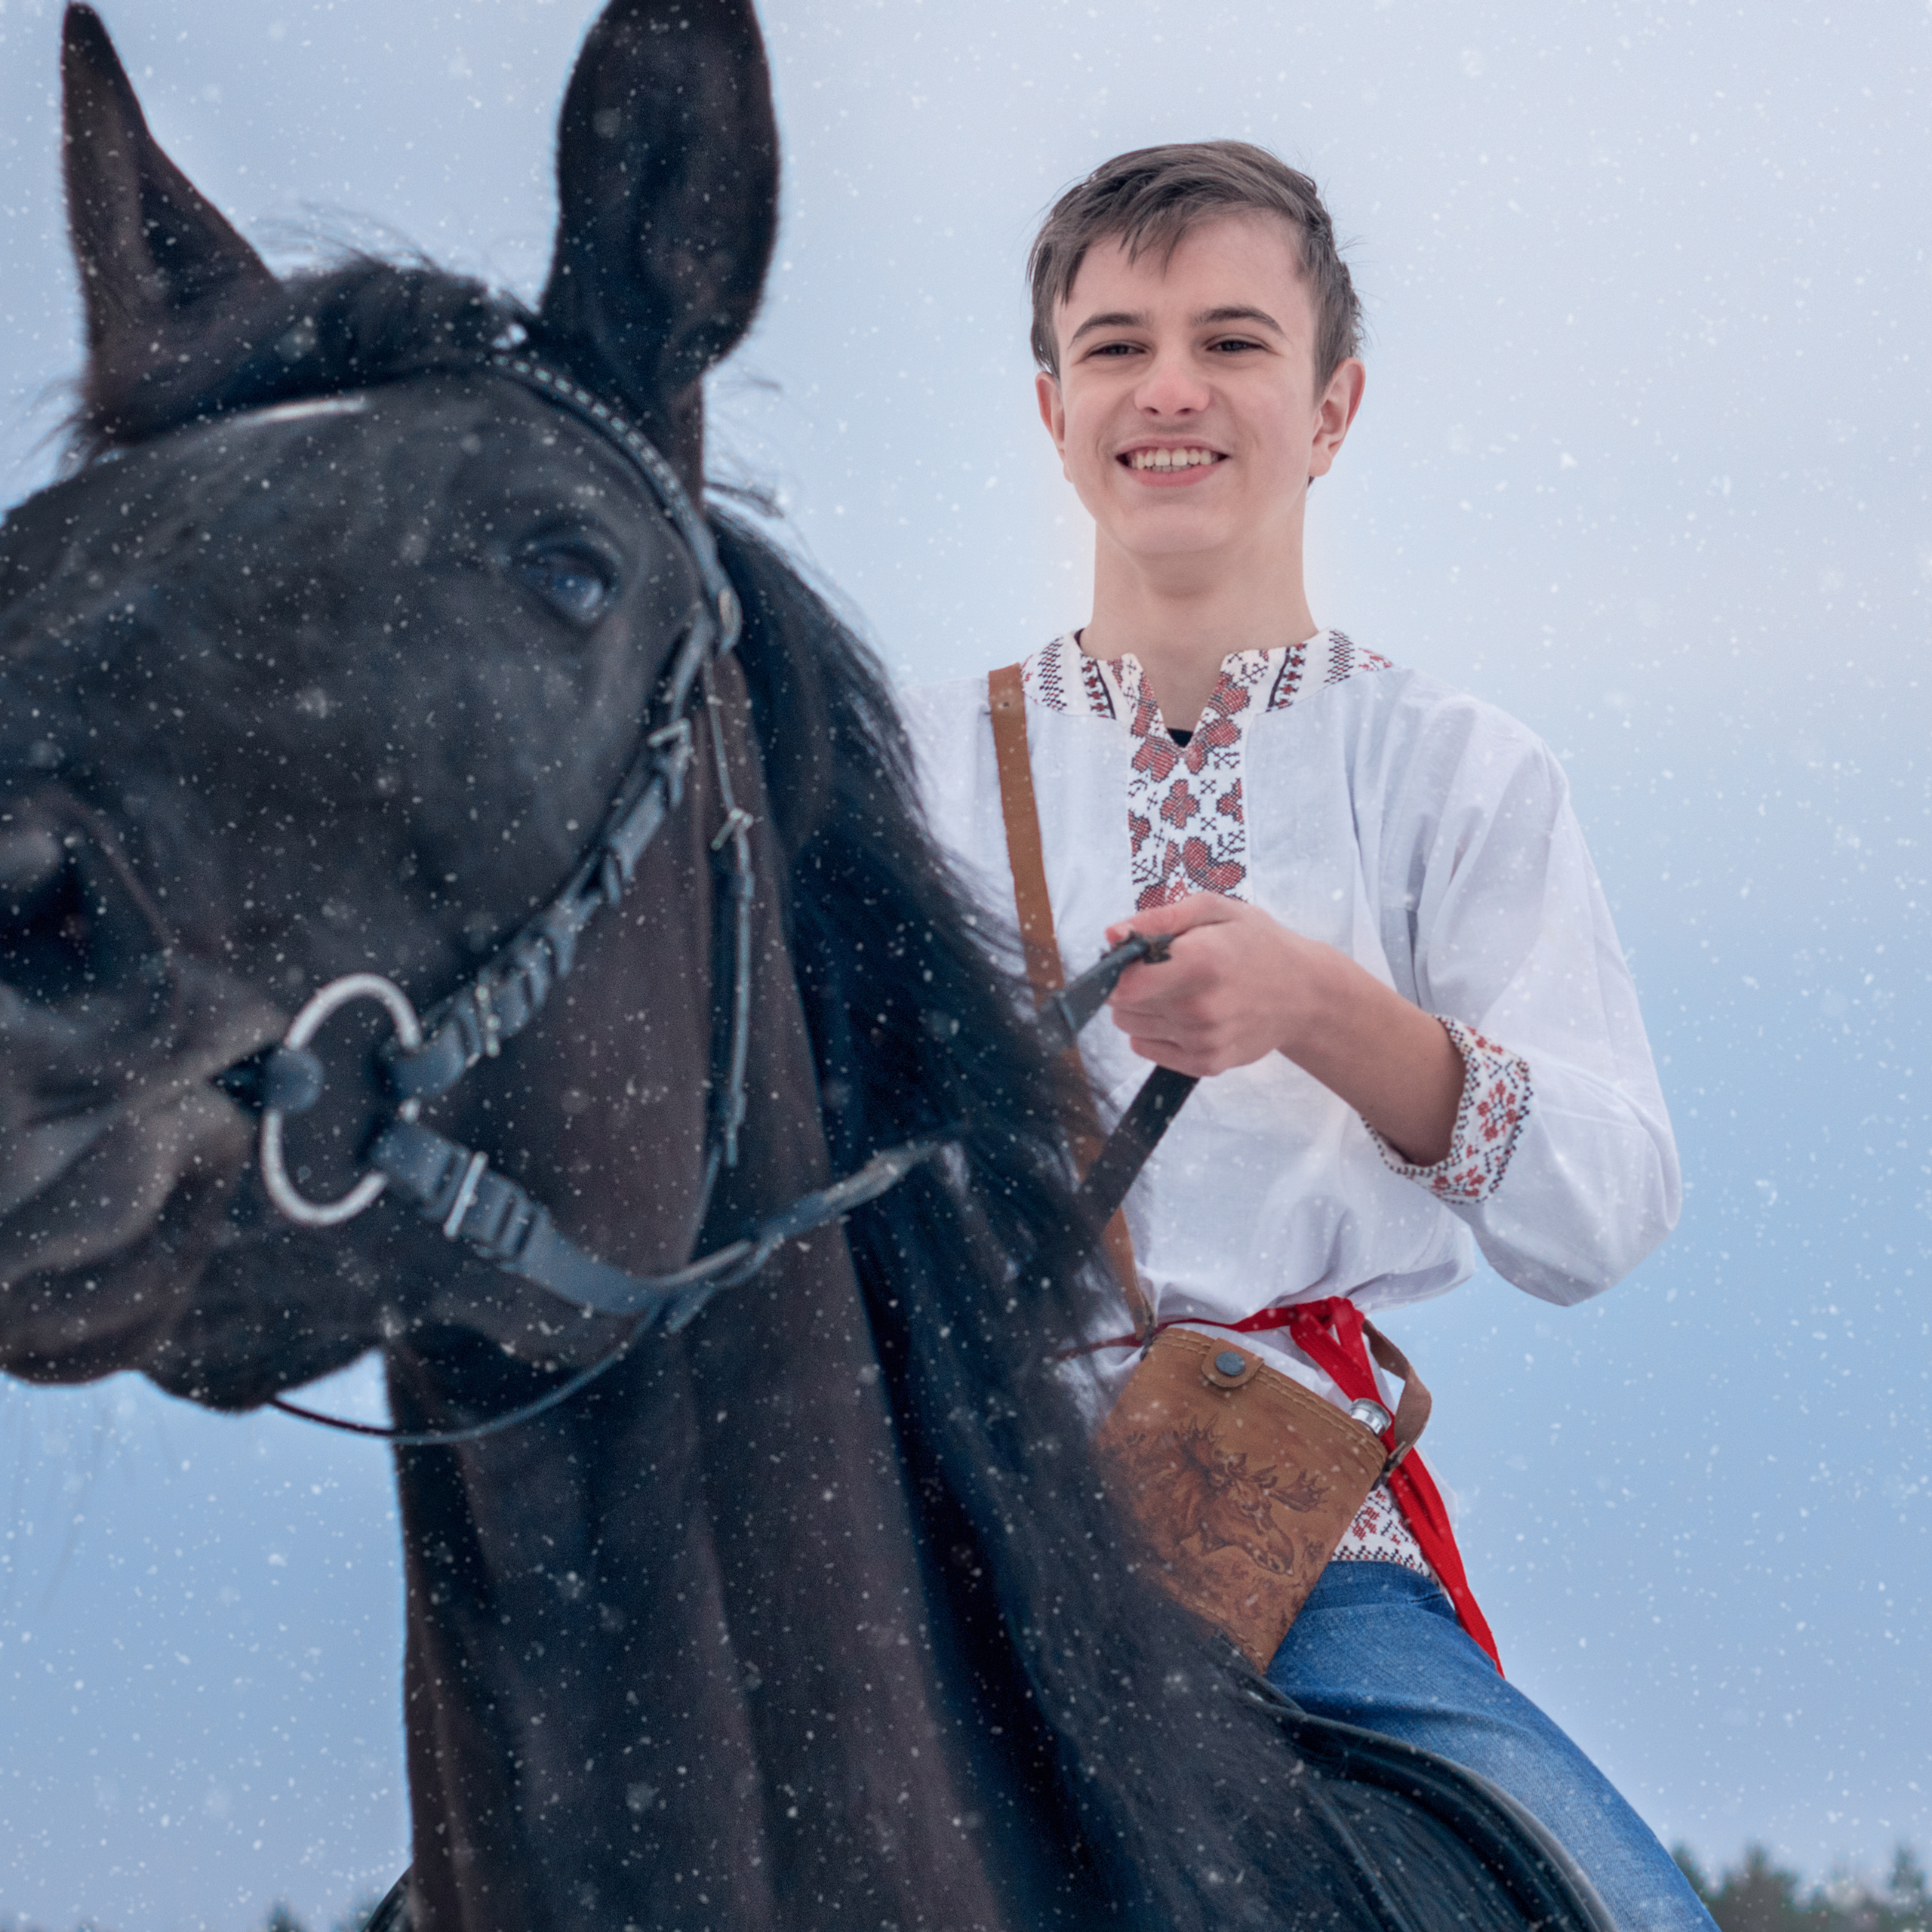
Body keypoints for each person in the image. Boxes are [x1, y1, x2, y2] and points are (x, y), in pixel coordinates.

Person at [899, 141, 1712, 1927]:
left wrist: (1319, 1008)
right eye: (1115, 346)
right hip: (930, 1516)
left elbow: (1604, 1205)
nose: (1167, 388)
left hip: (1279, 1529)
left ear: (1331, 406)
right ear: (1050, 410)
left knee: (1625, 1907)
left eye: (1230, 341)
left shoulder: (1451, 770)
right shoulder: (908, 768)